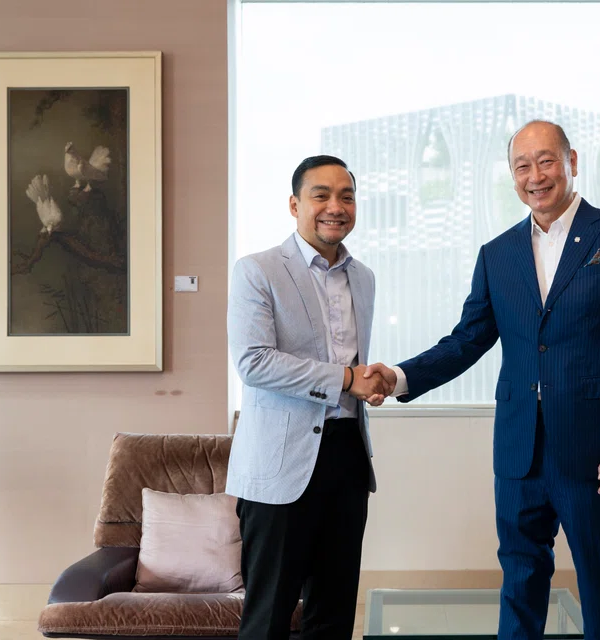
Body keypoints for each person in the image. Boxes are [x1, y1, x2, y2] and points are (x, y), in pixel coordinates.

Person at [365, 121, 600, 640]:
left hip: (594, 451)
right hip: (519, 449)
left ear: (572, 161)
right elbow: (466, 341)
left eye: (545, 161)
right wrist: (399, 375)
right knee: (520, 582)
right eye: (522, 166)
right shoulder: (496, 255)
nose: (535, 176)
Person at [226, 155, 392, 640]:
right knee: (268, 618)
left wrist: (368, 384)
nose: (335, 207)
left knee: (333, 614)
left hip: (347, 455)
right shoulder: (256, 271)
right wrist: (344, 378)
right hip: (281, 464)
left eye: (346, 196)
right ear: (295, 204)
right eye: (321, 195)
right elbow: (253, 362)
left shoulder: (364, 277)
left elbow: (349, 365)